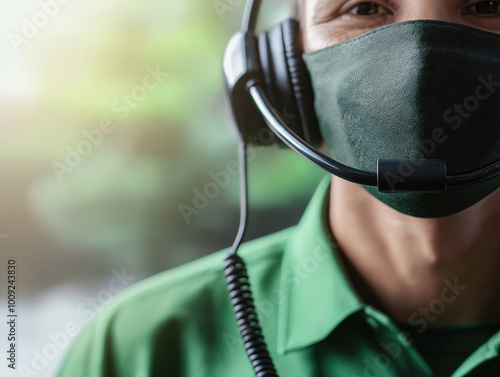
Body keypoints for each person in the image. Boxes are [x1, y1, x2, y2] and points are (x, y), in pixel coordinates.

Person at [56, 1, 500, 376]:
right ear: (280, 78)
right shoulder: (138, 348)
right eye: (362, 7)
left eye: (489, 5)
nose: (419, 60)